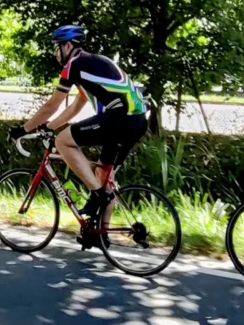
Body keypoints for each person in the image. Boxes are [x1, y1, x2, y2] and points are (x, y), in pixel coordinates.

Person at [8, 25, 149, 224]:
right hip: (137, 121)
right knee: (104, 176)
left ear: (68, 45)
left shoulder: (74, 65)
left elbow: (52, 105)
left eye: (57, 47)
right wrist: (47, 127)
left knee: (63, 141)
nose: (56, 53)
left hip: (120, 118)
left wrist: (23, 129)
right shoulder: (89, 66)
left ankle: (97, 194)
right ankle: (102, 234)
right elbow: (74, 108)